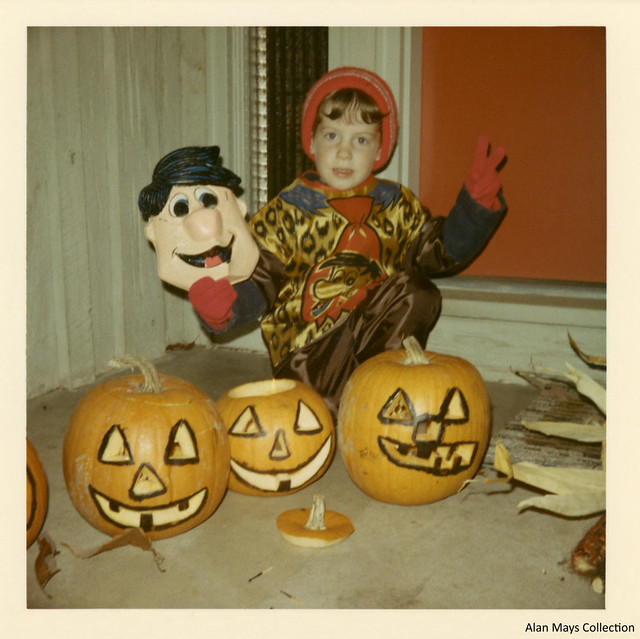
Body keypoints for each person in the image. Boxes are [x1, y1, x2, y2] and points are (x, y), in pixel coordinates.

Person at [174, 67, 507, 417]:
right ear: (312, 142)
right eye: (332, 136)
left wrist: (474, 207)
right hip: (308, 352)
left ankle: (378, 389)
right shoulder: (287, 211)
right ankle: (350, 403)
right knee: (316, 411)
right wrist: (225, 306)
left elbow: (438, 251)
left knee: (418, 292)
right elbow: (259, 274)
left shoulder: (396, 203)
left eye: (360, 140)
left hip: (374, 343)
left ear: (379, 149)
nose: (345, 153)